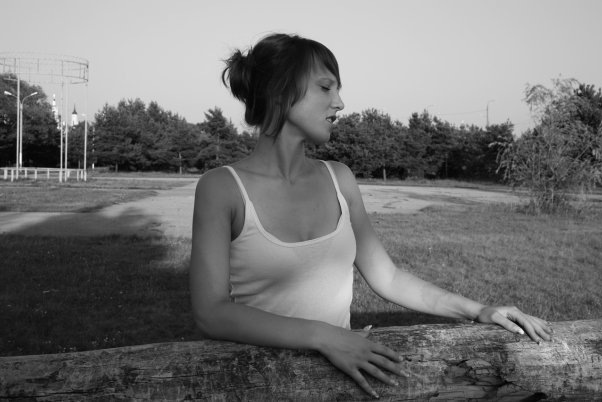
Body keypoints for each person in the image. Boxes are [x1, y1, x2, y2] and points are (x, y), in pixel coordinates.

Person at [189, 33, 553, 398]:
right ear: (280, 92)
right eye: (326, 87)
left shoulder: (340, 178)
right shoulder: (222, 187)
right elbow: (211, 313)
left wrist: (479, 310)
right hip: (257, 386)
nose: (340, 102)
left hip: (338, 388)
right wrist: (325, 336)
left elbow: (388, 277)